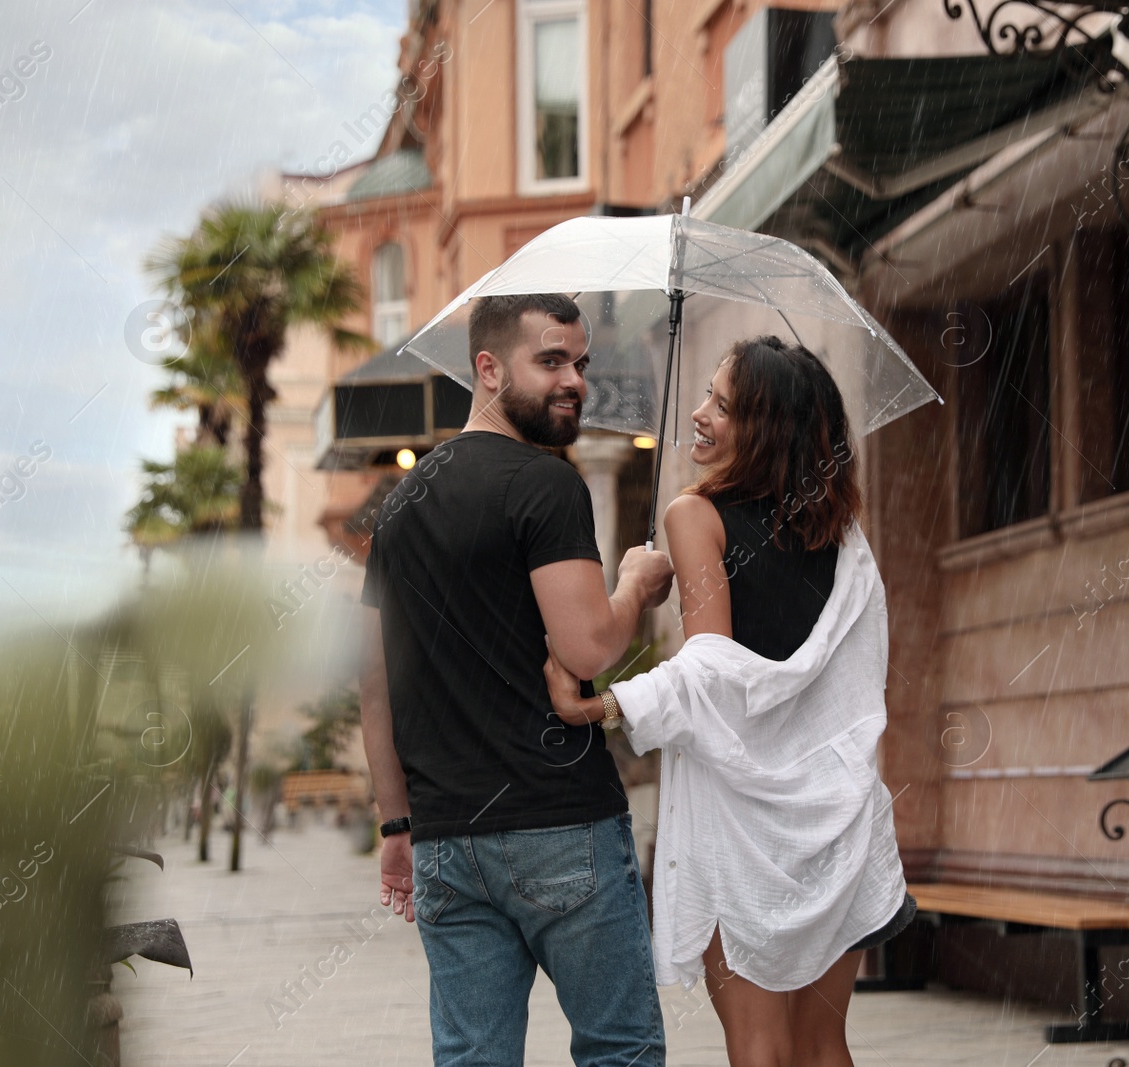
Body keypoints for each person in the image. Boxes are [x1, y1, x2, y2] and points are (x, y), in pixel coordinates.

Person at [545, 336, 914, 1067]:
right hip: (836, 815)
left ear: (769, 426)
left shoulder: (694, 515)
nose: (698, 413)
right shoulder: (843, 532)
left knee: (757, 1046)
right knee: (822, 1044)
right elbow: (847, 670)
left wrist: (610, 704)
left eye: (723, 404)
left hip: (742, 829)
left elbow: (714, 667)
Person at [359, 293, 675, 1067]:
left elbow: (374, 684)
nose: (575, 380)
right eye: (552, 361)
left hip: (447, 841)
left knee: (473, 1059)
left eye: (581, 362)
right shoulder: (545, 485)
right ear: (489, 369)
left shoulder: (399, 508)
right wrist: (635, 583)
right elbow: (590, 644)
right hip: (560, 820)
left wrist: (396, 825)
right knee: (620, 1051)